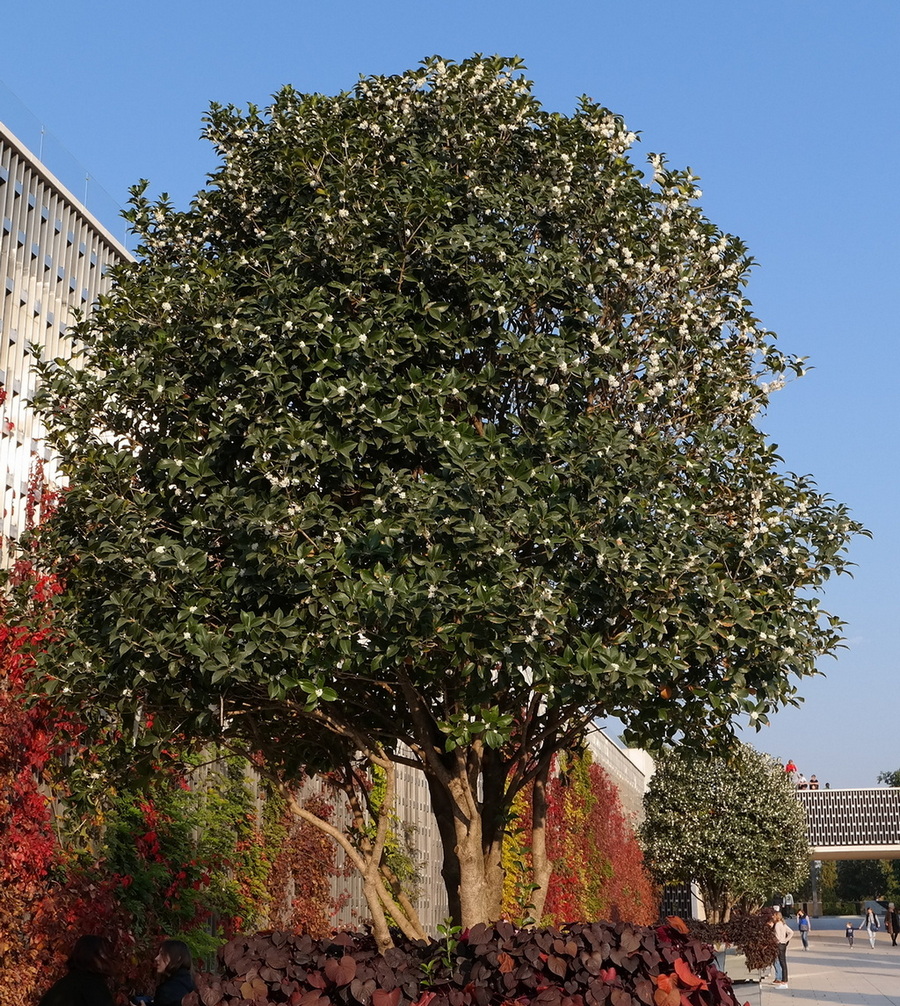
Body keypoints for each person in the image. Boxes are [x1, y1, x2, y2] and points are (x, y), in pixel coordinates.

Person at [38, 935, 116, 1006]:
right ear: (91, 956)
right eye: (102, 953)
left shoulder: (62, 984)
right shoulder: (93, 984)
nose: (107, 957)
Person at [152, 940, 195, 1006]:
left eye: (162, 954)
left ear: (178, 958)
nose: (156, 958)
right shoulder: (191, 982)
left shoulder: (167, 991)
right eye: (158, 954)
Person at [770, 911, 793, 988]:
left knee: (780, 962)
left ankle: (783, 982)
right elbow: (791, 932)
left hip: (779, 944)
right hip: (783, 944)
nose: (773, 917)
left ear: (776, 916)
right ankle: (784, 980)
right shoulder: (783, 924)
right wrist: (785, 940)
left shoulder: (777, 925)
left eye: (774, 915)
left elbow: (777, 936)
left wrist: (777, 940)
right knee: (783, 963)